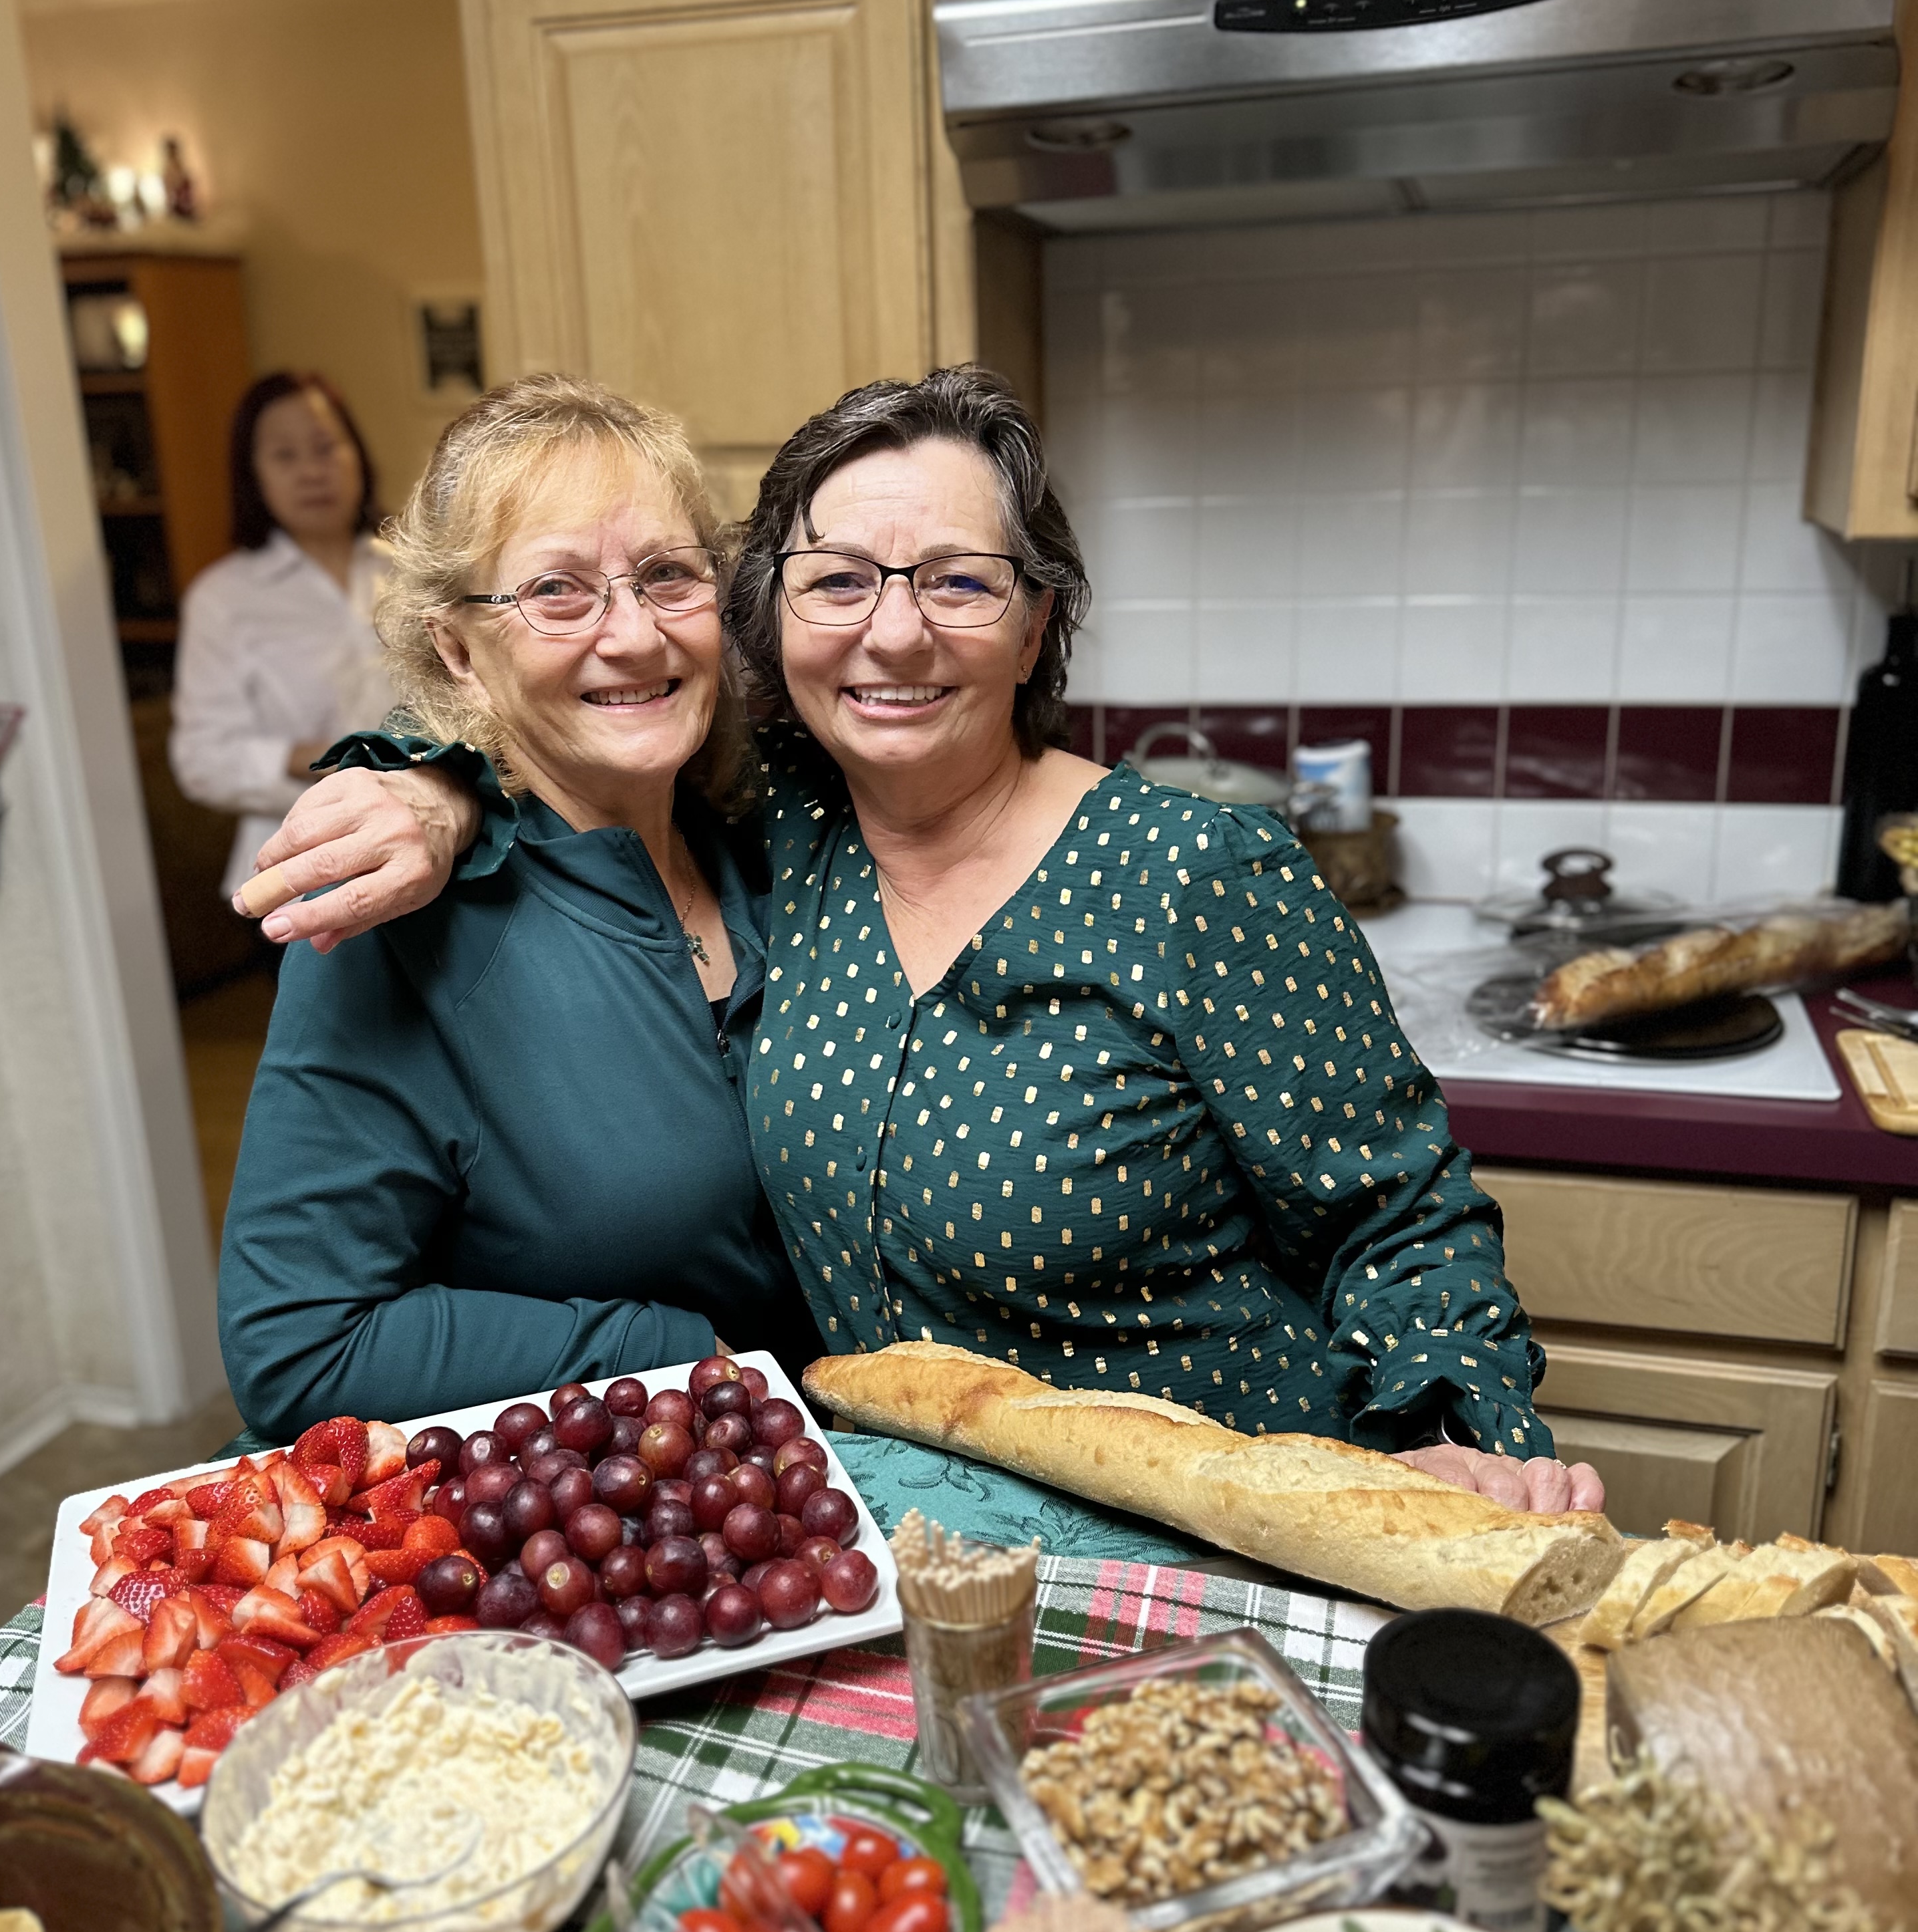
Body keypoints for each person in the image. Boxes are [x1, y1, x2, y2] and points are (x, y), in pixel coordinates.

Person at [243, 368, 1602, 1548]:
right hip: (892, 1540)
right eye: (839, 581)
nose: (893, 632)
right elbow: (547, 768)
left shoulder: (1179, 873)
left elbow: (1396, 1212)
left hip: (1231, 1529)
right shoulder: (783, 836)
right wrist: (432, 787)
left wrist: (1452, 1435)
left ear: (1035, 620)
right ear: (782, 617)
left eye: (958, 580)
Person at [215, 375, 816, 1443]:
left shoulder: (768, 836)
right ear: (458, 649)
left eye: (668, 576)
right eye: (558, 592)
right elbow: (300, 1346)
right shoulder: (397, 923)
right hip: (619, 1506)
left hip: (847, 1476)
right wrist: (666, 1355)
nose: (635, 636)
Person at [169, 372, 394, 895]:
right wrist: (313, 757)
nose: (312, 471)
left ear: (356, 454)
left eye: (325, 447)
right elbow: (202, 760)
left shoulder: (414, 572)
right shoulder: (225, 599)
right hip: (298, 873)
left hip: (436, 848)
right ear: (254, 476)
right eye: (285, 456)